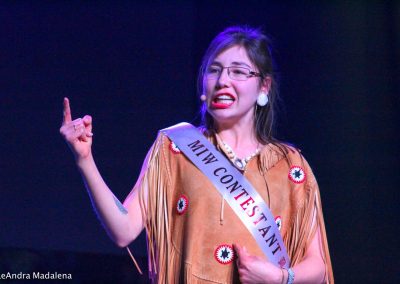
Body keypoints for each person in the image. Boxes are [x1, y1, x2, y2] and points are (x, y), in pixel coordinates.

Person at [60, 26, 334, 283]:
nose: (223, 80)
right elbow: (123, 230)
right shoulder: (175, 148)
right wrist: (85, 159)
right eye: (214, 71)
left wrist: (278, 277)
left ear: (264, 87)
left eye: (238, 71)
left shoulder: (290, 166)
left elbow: (318, 266)